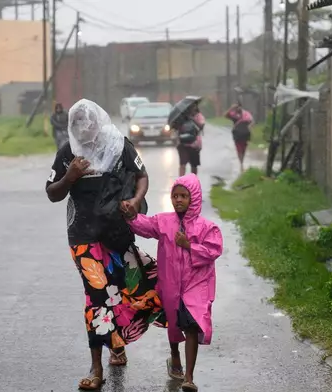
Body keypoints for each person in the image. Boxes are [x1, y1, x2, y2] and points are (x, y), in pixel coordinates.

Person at [45, 99, 165, 391]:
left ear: (99, 122)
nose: (85, 130)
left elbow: (142, 176)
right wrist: (70, 176)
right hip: (83, 236)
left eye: (89, 124)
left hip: (117, 233)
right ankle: (96, 367)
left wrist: (136, 202)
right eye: (78, 125)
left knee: (129, 289)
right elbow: (51, 193)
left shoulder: (118, 145)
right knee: (97, 296)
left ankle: (117, 343)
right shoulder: (67, 154)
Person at [123, 174, 223, 392]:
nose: (178, 200)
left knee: (191, 325)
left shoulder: (207, 227)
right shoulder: (164, 221)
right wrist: (131, 217)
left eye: (184, 196)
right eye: (175, 196)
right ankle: (175, 354)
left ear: (193, 198)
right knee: (174, 322)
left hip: (196, 285)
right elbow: (145, 226)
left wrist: (189, 245)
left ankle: (189, 376)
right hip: (170, 283)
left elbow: (214, 250)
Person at [176, 102, 205, 177]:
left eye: (193, 107)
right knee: (182, 164)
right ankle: (181, 181)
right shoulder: (181, 117)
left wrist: (193, 119)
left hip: (194, 144)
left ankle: (193, 181)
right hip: (182, 144)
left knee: (194, 165)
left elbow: (201, 126)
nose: (192, 109)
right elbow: (176, 128)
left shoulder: (198, 116)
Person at [224, 103, 254, 173]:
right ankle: (241, 164)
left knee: (243, 149)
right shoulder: (234, 114)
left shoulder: (246, 114)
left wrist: (250, 127)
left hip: (245, 134)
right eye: (236, 107)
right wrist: (231, 108)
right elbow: (225, 115)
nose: (238, 108)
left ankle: (242, 161)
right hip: (237, 134)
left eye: (239, 107)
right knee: (239, 149)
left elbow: (252, 121)